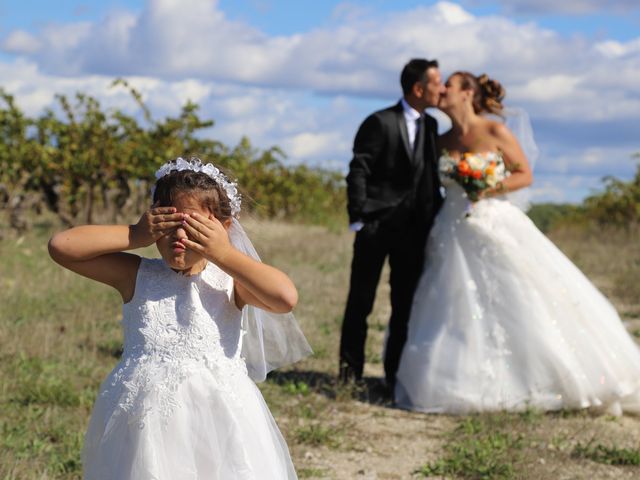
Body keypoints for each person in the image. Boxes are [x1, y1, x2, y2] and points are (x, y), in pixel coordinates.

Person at [48, 157, 311, 479]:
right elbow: (62, 247)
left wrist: (224, 253)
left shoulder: (231, 283)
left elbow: (285, 298)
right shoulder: (136, 275)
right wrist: (135, 234)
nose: (179, 237)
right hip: (144, 418)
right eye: (167, 225)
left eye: (193, 227)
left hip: (219, 416)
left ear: (222, 228)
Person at [395, 71, 640, 415]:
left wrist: (484, 187)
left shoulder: (495, 131)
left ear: (467, 93)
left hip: (494, 220)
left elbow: (524, 173)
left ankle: (547, 379)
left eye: (448, 85)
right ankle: (461, 382)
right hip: (452, 227)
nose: (442, 90)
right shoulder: (440, 140)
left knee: (519, 295)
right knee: (453, 301)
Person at [339, 58, 445, 392]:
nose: (441, 89)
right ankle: (349, 376)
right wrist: (358, 218)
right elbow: (359, 169)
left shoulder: (431, 128)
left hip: (413, 233)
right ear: (418, 88)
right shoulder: (379, 121)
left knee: (404, 306)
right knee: (361, 302)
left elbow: (428, 179)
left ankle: (393, 376)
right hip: (376, 227)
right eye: (437, 83)